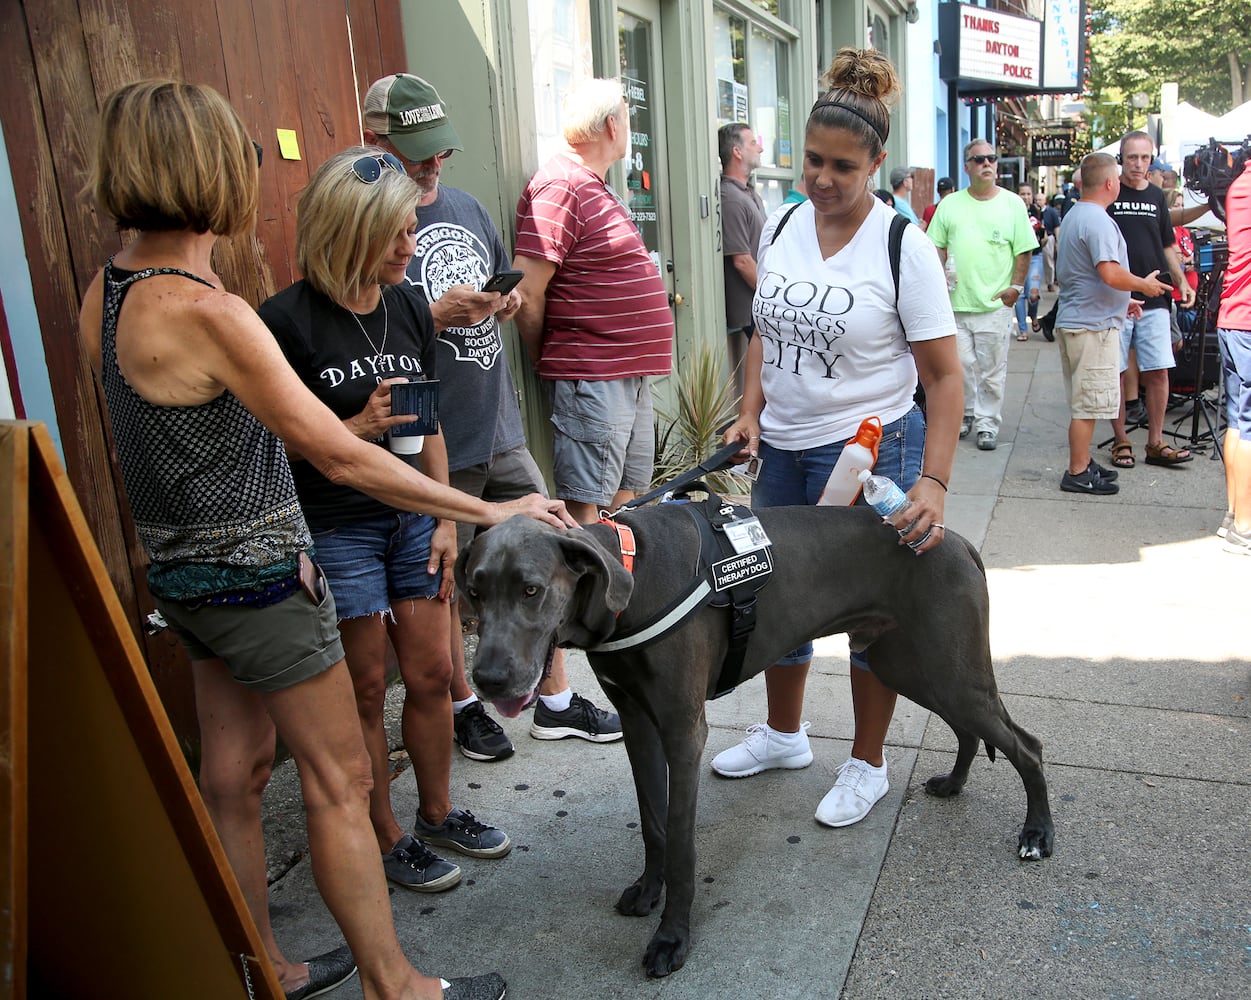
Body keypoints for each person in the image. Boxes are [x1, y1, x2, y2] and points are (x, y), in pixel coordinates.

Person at [80, 80, 572, 1000]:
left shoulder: (109, 293)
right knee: (343, 777)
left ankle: (258, 965)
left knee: (233, 770)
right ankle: (397, 985)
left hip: (181, 574)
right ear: (214, 171)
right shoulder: (216, 311)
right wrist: (488, 512)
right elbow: (340, 458)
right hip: (260, 577)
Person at [709, 47, 962, 830]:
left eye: (842, 167)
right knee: (767, 592)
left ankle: (867, 762)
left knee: (866, 612)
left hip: (866, 449)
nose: (821, 178)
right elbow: (762, 333)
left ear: (875, 163)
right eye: (812, 160)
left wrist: (934, 480)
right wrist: (747, 410)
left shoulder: (901, 246)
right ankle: (784, 734)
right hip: (778, 448)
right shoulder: (782, 220)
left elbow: (944, 379)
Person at [260, 147, 518, 905]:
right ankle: (383, 834)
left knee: (434, 673)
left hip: (411, 516)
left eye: (412, 229)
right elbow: (277, 443)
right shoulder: (287, 321)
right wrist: (354, 425)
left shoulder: (405, 305)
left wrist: (443, 515)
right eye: (398, 234)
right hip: (337, 525)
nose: (412, 246)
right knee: (368, 688)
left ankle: (436, 813)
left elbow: (428, 416)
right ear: (351, 231)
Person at [361, 73, 620, 758]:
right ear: (373, 141)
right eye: (415, 152)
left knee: (546, 550)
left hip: (495, 418)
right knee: (444, 574)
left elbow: (511, 287)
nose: (431, 166)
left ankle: (554, 698)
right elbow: (364, 335)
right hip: (426, 435)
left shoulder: (469, 209)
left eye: (439, 152)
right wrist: (432, 315)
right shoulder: (365, 222)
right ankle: (466, 706)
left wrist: (500, 304)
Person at [513, 78, 675, 525]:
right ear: (611, 124)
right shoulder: (561, 185)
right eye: (627, 117)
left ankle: (630, 589)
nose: (628, 126)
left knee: (629, 497)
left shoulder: (592, 184)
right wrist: (544, 355)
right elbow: (527, 290)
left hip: (625, 372)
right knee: (588, 506)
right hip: (593, 371)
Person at [1055, 153, 1170, 497]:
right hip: (1091, 327)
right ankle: (1077, 471)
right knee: (1087, 406)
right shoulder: (1098, 220)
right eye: (1117, 178)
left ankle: (1084, 462)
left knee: (1085, 401)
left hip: (1081, 320)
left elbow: (1088, 275)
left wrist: (1124, 301)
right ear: (1110, 183)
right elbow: (1109, 271)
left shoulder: (1077, 213)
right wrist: (1143, 286)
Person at [927, 139, 1037, 451]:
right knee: (959, 367)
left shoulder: (1012, 203)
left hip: (993, 305)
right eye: (979, 160)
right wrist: (939, 275)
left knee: (991, 371)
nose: (987, 164)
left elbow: (1025, 250)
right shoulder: (950, 205)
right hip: (956, 305)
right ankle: (966, 413)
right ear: (967, 167)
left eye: (991, 159)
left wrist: (1016, 287)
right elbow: (934, 242)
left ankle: (987, 423)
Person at [1104, 131, 1196, 470]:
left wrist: (1182, 282)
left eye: (1145, 158)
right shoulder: (1109, 192)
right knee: (1114, 372)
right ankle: (1121, 439)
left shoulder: (1157, 196)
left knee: (1158, 370)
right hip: (1115, 299)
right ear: (1121, 159)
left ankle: (1155, 441)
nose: (1139, 164)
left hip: (1156, 298)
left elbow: (1167, 245)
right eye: (1132, 157)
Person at [718, 121, 768, 400]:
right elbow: (742, 261)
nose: (759, 147)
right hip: (751, 314)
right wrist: (773, 296)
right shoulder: (731, 198)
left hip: (759, 310)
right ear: (736, 152)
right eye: (752, 143)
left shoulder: (748, 194)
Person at [1217, 159, 1251, 553]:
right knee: (1246, 424)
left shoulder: (1240, 183)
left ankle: (1235, 514)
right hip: (1244, 320)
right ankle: (1243, 524)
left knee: (1239, 422)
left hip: (1235, 317)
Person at [1014, 183, 1047, 341]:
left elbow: (1043, 232)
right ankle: (1023, 330)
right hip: (1018, 256)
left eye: (1028, 193)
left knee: (1033, 294)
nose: (1025, 197)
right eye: (1022, 194)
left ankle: (1033, 315)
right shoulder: (1012, 211)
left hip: (1035, 256)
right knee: (1019, 295)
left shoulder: (1037, 210)